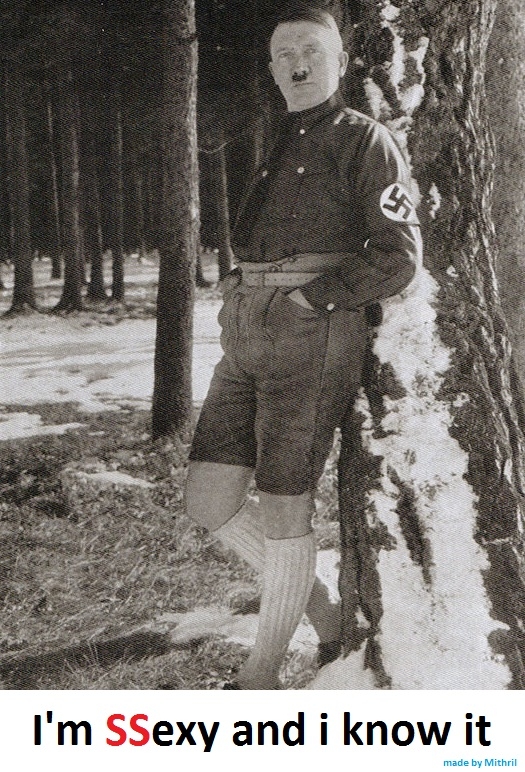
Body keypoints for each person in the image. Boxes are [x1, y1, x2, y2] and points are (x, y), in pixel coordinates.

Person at [186, 5, 421, 690]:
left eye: (312, 51)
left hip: (313, 334)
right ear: (270, 68)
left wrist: (306, 301)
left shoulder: (365, 139)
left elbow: (398, 258)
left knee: (285, 502)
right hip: (248, 331)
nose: (297, 64)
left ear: (340, 63)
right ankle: (326, 618)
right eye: (284, 53)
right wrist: (245, 290)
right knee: (207, 499)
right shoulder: (281, 138)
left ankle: (259, 675)